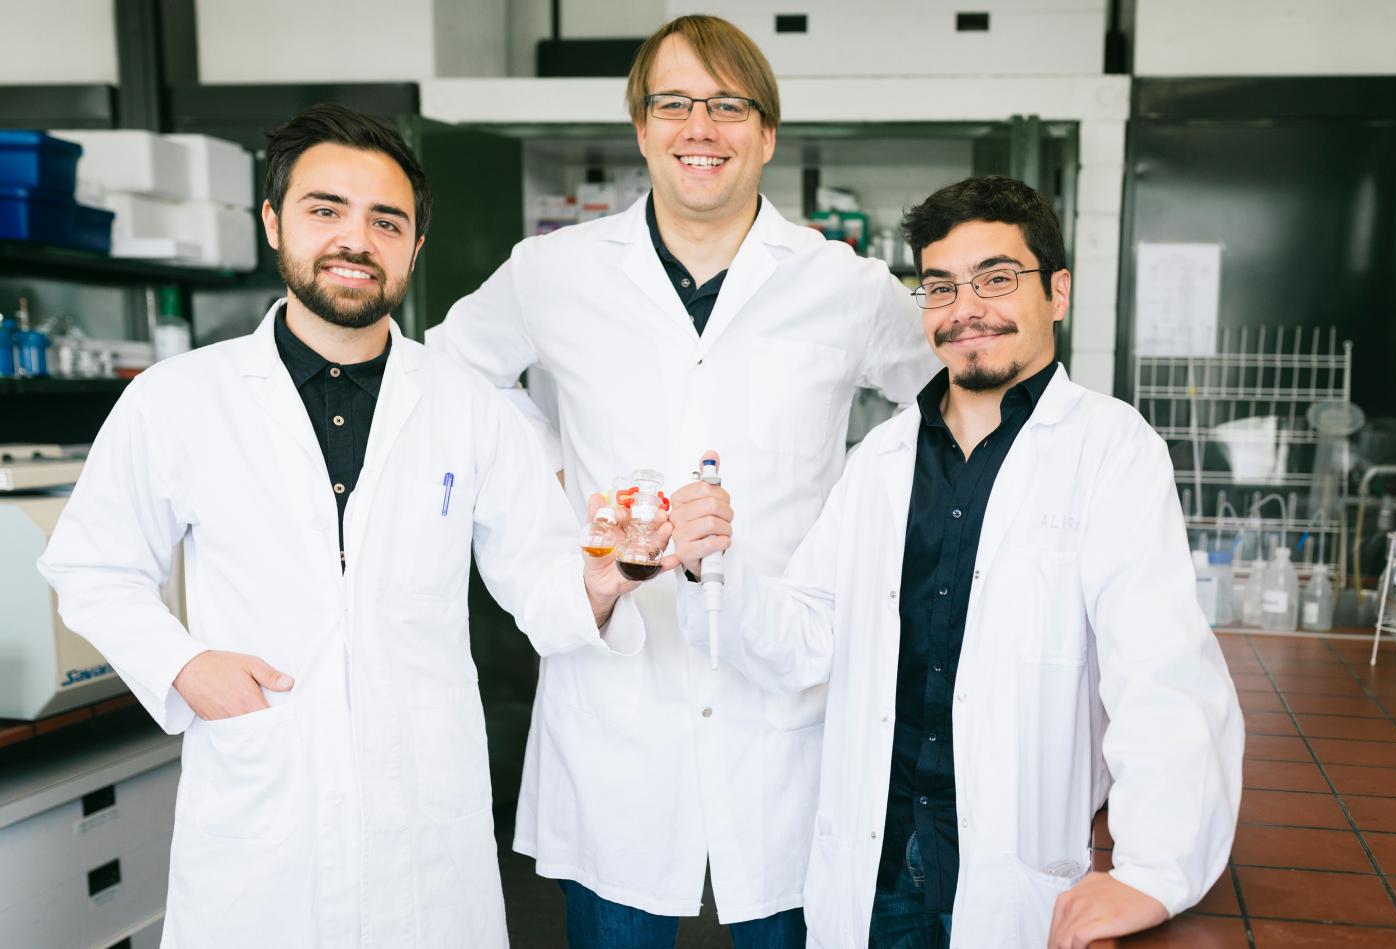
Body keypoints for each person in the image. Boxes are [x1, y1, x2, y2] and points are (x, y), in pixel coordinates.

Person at [38, 103, 664, 949]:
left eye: (386, 221)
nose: (355, 240)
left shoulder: (467, 407)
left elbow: (543, 578)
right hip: (262, 814)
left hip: (422, 823)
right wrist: (184, 665)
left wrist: (603, 580)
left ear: (415, 245)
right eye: (325, 210)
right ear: (274, 222)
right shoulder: (179, 399)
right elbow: (91, 567)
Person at [427, 14, 933, 946]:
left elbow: (944, 408)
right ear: (641, 127)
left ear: (766, 134)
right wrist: (551, 465)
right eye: (673, 103)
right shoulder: (553, 272)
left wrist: (863, 514)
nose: (700, 127)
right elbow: (450, 371)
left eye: (728, 105)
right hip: (618, 710)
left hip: (784, 705)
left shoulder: (846, 286)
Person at [669, 176, 1244, 948]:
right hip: (877, 872)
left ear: (1058, 291)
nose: (965, 307)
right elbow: (808, 635)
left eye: (996, 278)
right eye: (940, 286)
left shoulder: (1110, 449)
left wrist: (1153, 869)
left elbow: (1161, 674)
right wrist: (711, 566)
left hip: (1010, 876)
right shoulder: (881, 457)